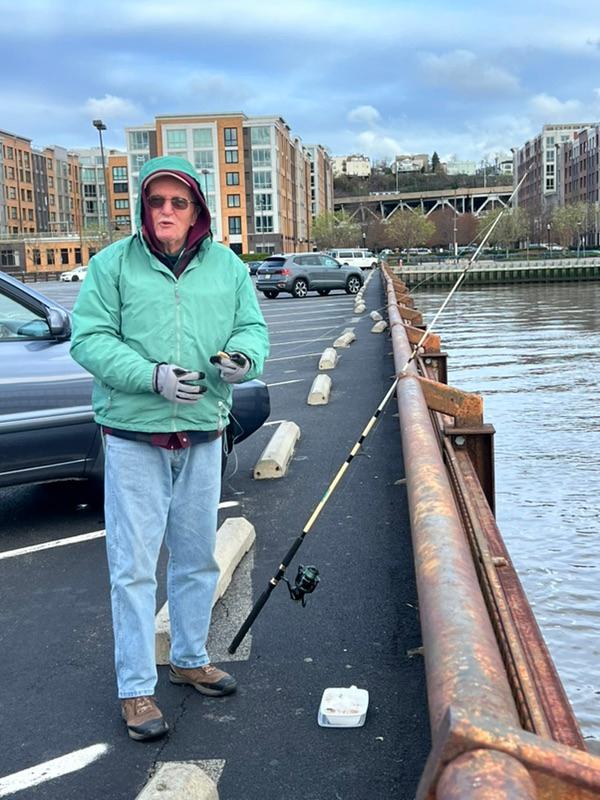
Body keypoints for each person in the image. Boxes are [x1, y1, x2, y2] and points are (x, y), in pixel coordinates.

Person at [71, 155, 269, 741]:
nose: (166, 211)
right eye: (156, 201)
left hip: (204, 435)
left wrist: (243, 359)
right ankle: (136, 689)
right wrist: (150, 376)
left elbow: (252, 328)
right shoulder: (111, 265)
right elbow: (89, 339)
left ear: (196, 210)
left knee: (196, 559)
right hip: (134, 438)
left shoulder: (228, 267)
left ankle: (189, 658)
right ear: (143, 206)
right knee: (132, 570)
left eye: (178, 202)